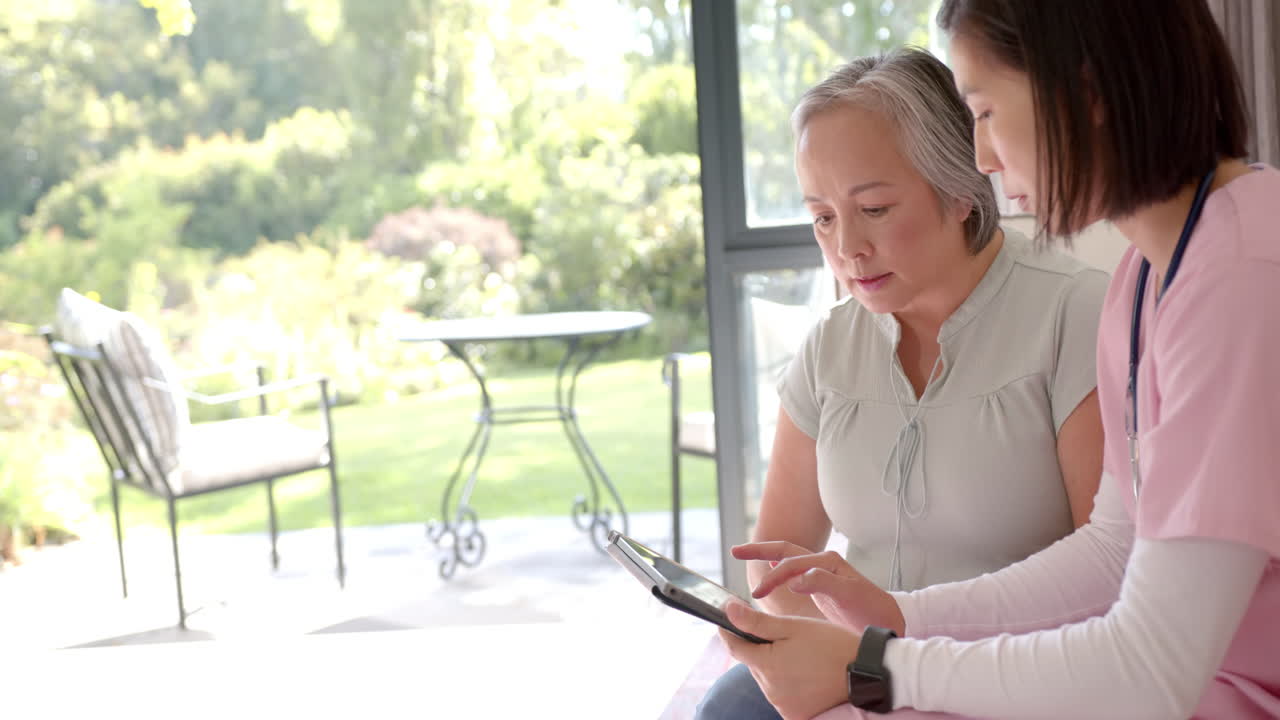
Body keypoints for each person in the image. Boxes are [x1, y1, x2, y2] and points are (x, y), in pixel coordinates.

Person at [720, 1, 1280, 718]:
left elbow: (1149, 669)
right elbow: (1114, 548)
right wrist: (901, 614)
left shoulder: (1240, 277)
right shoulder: (1147, 281)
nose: (981, 160)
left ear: (1087, 95)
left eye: (983, 112)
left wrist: (878, 667)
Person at [695, 47, 1107, 719]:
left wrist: (887, 676)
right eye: (823, 216)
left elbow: (1111, 574)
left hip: (1012, 674)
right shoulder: (831, 343)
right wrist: (827, 661)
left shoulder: (1077, 316)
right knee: (727, 708)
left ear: (960, 188)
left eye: (876, 209)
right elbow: (780, 555)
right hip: (860, 664)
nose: (847, 248)